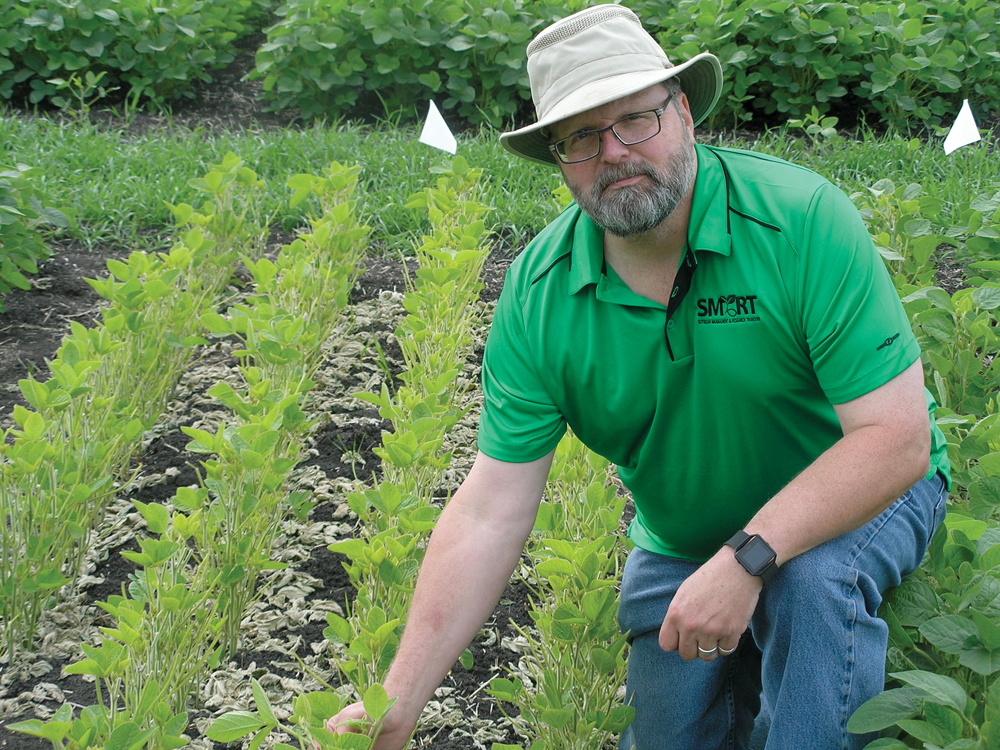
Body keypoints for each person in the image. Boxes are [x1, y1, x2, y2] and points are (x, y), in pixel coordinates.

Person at [327, 5, 951, 749]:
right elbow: (491, 508)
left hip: (861, 494)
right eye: (582, 137)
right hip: (685, 537)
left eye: (636, 120)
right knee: (663, 733)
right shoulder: (542, 293)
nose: (615, 152)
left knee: (812, 588)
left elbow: (896, 440)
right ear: (556, 158)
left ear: (684, 112)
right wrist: (400, 696)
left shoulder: (801, 221)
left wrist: (750, 558)